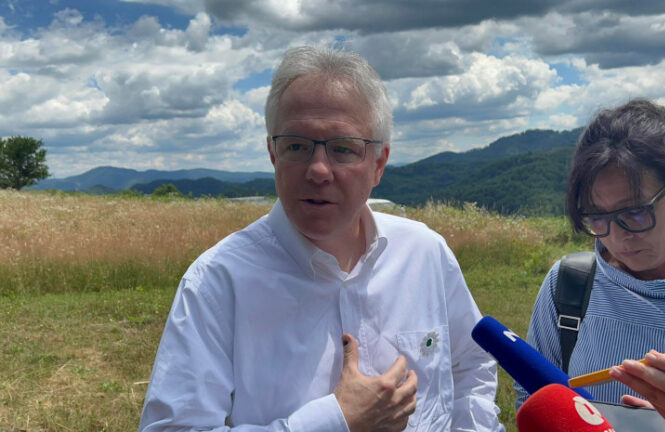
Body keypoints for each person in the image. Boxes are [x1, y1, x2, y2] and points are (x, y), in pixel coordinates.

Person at [139, 46, 504, 432]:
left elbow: (471, 363)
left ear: (379, 164)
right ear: (273, 154)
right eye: (296, 146)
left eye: (342, 149)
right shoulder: (217, 282)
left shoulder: (425, 254)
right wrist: (336, 421)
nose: (317, 170)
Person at [515, 99, 665, 432]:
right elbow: (533, 395)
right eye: (597, 217)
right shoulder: (570, 285)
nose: (618, 236)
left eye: (636, 212)